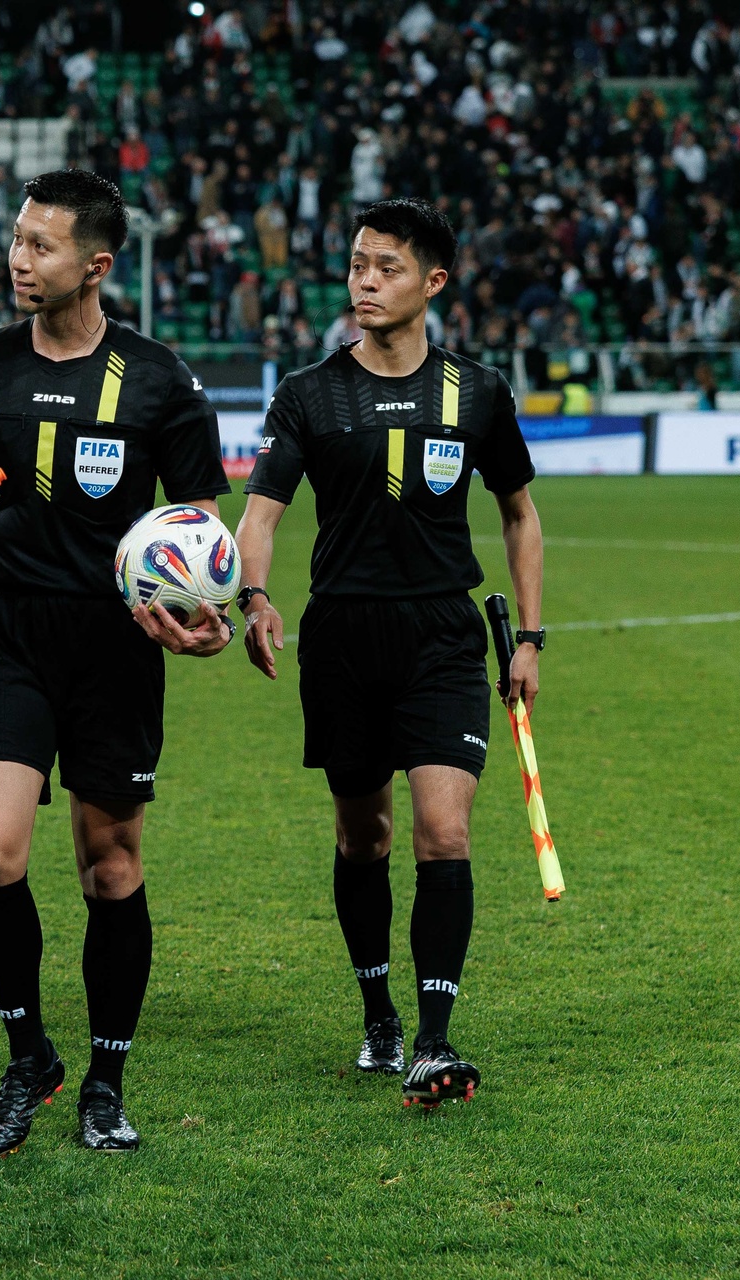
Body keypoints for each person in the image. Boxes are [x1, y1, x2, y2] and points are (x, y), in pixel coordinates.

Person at [233, 198, 545, 1107]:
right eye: (358, 265)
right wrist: (254, 594)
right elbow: (260, 514)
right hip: (342, 637)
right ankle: (379, 1014)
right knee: (361, 836)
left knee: (443, 831)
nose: (365, 282)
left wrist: (528, 637)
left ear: (432, 283)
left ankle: (435, 1039)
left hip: (443, 636)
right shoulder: (309, 393)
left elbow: (520, 515)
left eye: (387, 268)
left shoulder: (479, 392)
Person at [0, 169, 231, 1155]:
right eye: (17, 238)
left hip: (115, 651)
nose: (18, 258)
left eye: (40, 245)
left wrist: (212, 617)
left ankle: (106, 1081)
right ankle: (29, 1055)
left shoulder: (159, 381)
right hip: (8, 640)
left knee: (110, 868)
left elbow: (203, 531)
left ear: (96, 264)